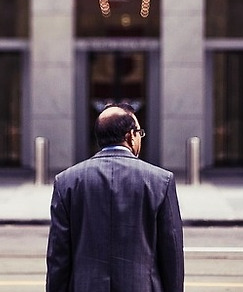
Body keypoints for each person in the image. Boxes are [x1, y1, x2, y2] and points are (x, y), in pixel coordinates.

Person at [46, 103, 184, 292]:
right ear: (130, 135)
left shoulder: (66, 181)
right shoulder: (160, 181)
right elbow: (172, 256)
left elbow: (58, 258)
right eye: (140, 133)